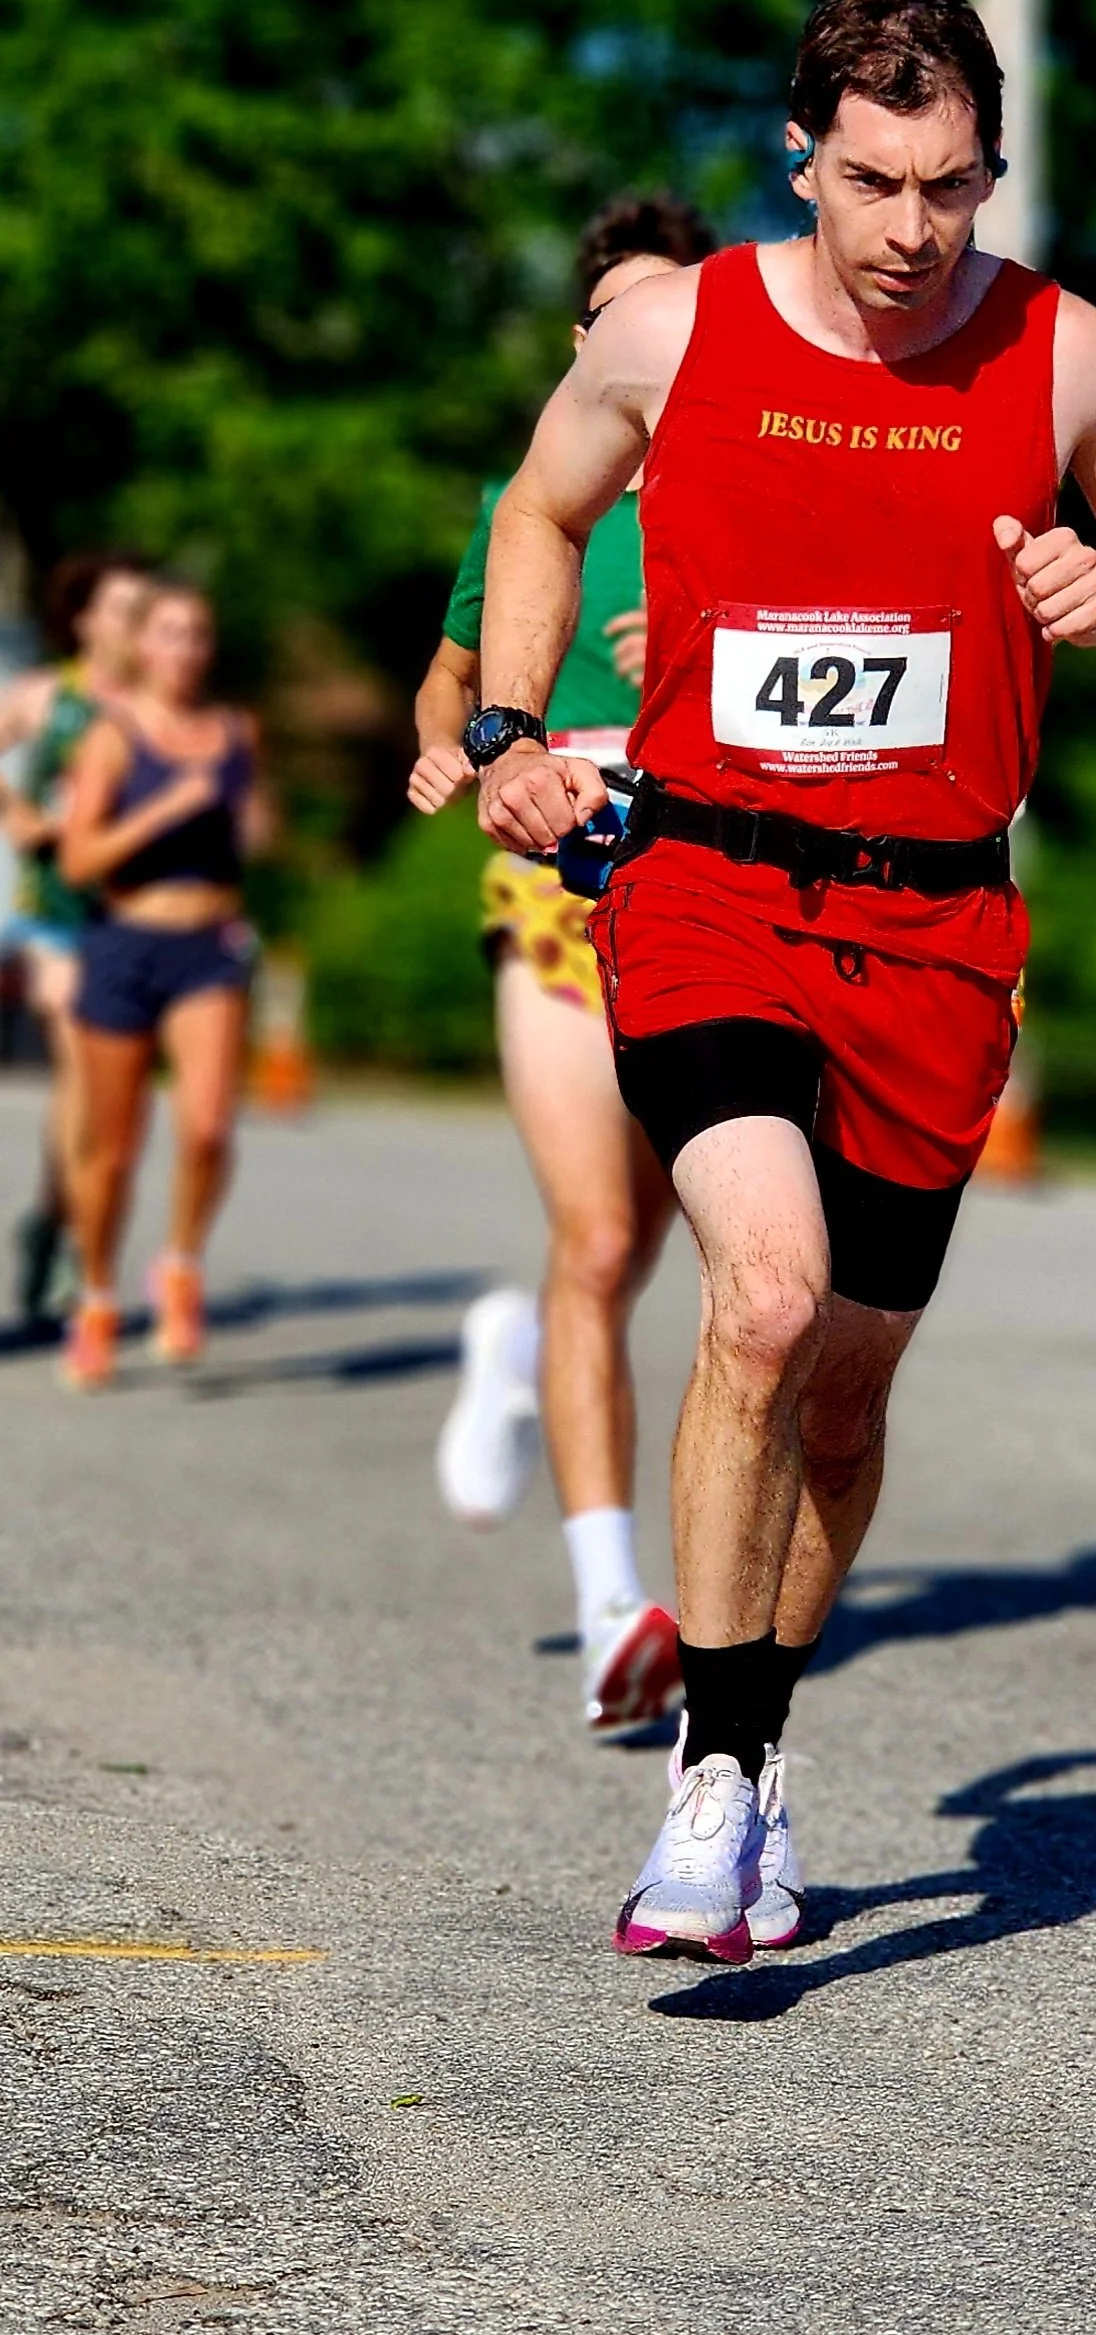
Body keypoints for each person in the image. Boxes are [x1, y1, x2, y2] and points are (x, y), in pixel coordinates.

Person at [474, 0, 1096, 1963]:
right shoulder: (673, 326)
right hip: (710, 878)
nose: (916, 230)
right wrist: (506, 734)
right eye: (880, 181)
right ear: (800, 154)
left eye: (957, 186)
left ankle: (754, 1735)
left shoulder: (1061, 351)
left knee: (844, 1389)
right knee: (763, 1293)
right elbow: (542, 512)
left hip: (936, 924)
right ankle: (711, 1796)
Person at [409, 190, 715, 1735]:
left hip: (716, 877)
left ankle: (508, 1345)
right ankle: (613, 1605)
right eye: (613, 315)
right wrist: (442, 755)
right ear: (583, 339)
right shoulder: (530, 494)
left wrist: (710, 653)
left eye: (673, 306)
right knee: (599, 1239)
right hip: (558, 878)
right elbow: (453, 674)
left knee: (670, 1249)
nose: (641, 337)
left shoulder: (754, 474)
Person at [57, 577, 269, 1390]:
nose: (185, 649)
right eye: (171, 633)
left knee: (210, 1124)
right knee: (111, 1151)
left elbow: (255, 826)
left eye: (198, 634)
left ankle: (179, 1265)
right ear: (142, 646)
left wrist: (254, 824)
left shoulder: (235, 730)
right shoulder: (111, 737)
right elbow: (79, 860)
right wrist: (167, 808)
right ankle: (98, 1296)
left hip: (208, 945)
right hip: (124, 942)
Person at [0, 551, 154, 1327]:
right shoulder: (44, 695)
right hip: (51, 910)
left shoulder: (157, 705)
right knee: (79, 1064)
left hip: (130, 913)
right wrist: (19, 816)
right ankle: (67, 1246)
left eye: (145, 610)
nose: (136, 625)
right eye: (123, 609)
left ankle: (54, 1218)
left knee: (105, 1092)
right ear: (87, 619)